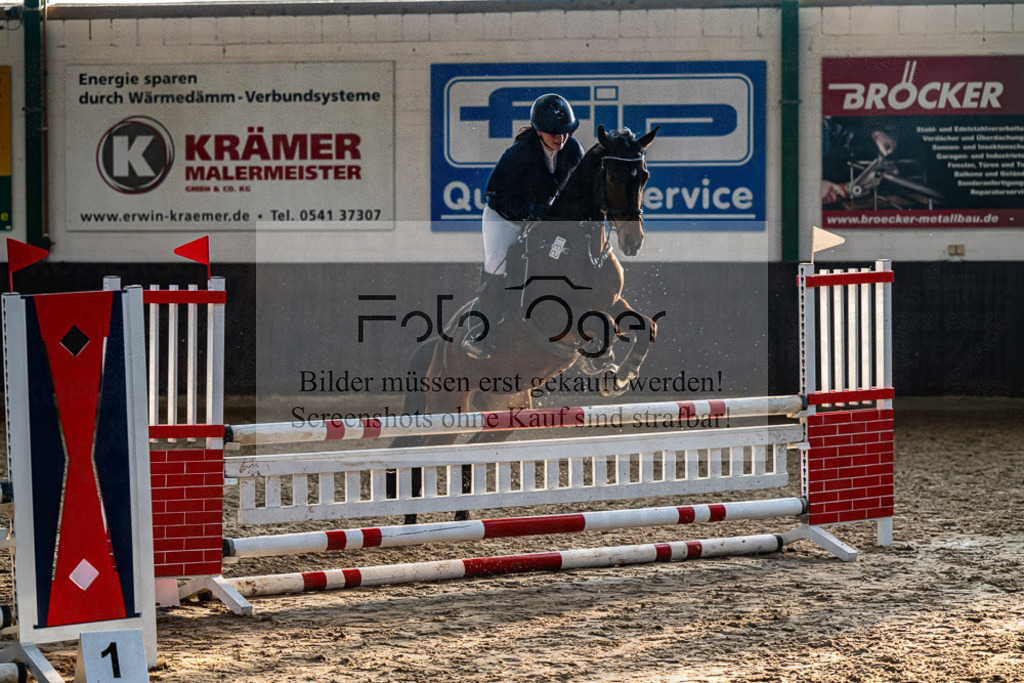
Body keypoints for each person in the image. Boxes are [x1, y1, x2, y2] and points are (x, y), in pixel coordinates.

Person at [462, 93, 586, 360]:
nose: (560, 138)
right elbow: (494, 194)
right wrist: (528, 212)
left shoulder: (574, 150)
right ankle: (481, 331)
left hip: (545, 222)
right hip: (505, 217)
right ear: (539, 130)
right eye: (554, 132)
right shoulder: (519, 153)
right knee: (498, 262)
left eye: (565, 132)